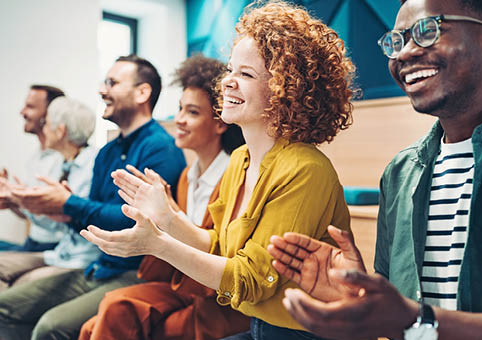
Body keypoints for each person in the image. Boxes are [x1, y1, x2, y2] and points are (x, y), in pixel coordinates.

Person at [81, 2, 355, 339]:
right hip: (259, 325)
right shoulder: (241, 159)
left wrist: (159, 244)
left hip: (301, 332)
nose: (227, 83)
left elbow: (252, 281)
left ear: (287, 90)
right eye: (231, 70)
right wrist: (168, 218)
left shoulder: (305, 169)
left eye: (246, 74)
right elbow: (220, 247)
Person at [267, 0, 482, 339]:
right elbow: (401, 325)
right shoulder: (400, 173)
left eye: (427, 31)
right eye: (397, 41)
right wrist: (363, 301)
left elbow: (414, 320)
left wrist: (416, 319)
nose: (405, 54)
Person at [0, 55, 186, 340]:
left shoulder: (161, 148)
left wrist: (69, 204)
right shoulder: (107, 153)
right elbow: (95, 225)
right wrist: (62, 213)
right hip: (100, 266)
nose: (102, 89)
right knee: (5, 306)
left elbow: (134, 223)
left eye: (112, 82)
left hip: (133, 272)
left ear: (142, 93)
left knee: (50, 327)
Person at [79, 54, 249, 340]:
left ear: (220, 122)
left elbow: (222, 255)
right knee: (93, 324)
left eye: (192, 112)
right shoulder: (186, 177)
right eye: (180, 109)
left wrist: (169, 219)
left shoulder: (234, 176)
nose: (179, 120)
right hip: (184, 284)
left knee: (115, 311)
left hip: (216, 296)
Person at [0, 96, 100, 290]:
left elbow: (72, 220)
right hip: (60, 253)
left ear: (60, 131)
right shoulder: (64, 164)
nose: (44, 129)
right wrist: (22, 201)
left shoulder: (93, 166)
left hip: (78, 258)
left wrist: (24, 201)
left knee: (18, 285)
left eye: (47, 123)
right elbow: (54, 220)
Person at [0, 84, 65, 252]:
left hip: (51, 247)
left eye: (30, 106)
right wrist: (10, 200)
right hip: (32, 242)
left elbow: (53, 219)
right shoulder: (36, 157)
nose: (22, 112)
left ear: (48, 114)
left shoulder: (63, 161)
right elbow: (29, 214)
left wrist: (17, 198)